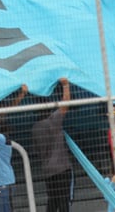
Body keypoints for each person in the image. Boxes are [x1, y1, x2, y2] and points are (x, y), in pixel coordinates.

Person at [32, 78, 72, 212]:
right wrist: (66, 86)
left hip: (47, 170)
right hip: (61, 168)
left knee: (53, 200)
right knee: (63, 200)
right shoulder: (53, 120)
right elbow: (65, 105)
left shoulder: (35, 128)